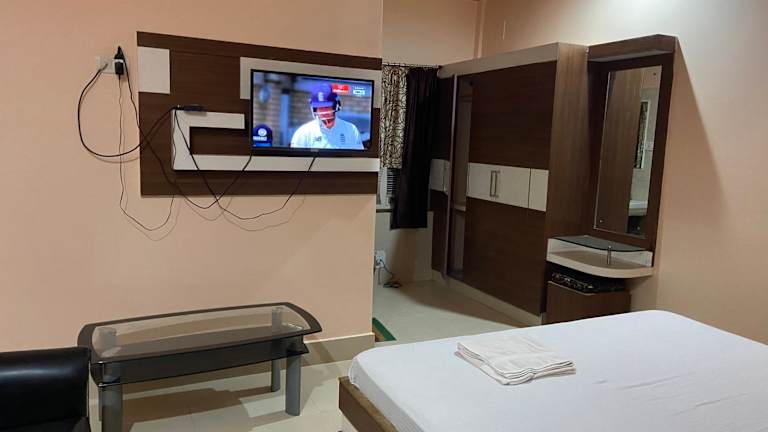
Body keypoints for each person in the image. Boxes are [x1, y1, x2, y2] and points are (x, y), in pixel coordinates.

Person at [290, 83, 364, 149]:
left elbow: (359, 158)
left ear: (335, 106)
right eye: (320, 107)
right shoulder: (303, 133)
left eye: (327, 106)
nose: (324, 111)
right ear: (315, 109)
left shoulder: (351, 130)